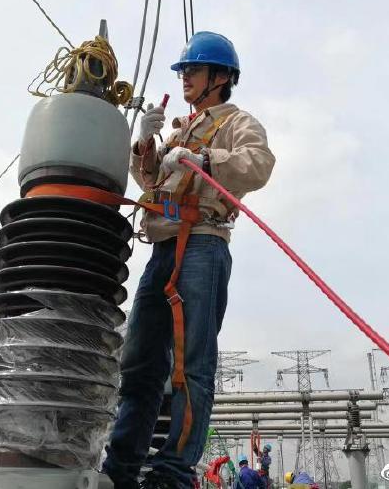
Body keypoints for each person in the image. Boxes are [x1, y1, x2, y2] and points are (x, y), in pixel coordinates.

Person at [102, 31, 276, 489]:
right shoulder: (179, 128)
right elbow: (150, 181)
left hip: (203, 242)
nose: (185, 78)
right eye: (183, 70)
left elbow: (258, 164)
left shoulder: (237, 122)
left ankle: (172, 471)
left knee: (192, 365)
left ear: (220, 77)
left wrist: (204, 158)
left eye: (193, 70)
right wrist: (145, 143)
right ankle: (120, 469)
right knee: (140, 363)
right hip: (163, 246)